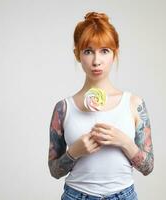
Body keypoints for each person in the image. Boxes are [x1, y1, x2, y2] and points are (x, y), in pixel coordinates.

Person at [48, 11, 154, 200]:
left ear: (115, 52)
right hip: (76, 196)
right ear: (77, 54)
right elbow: (54, 171)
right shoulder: (63, 108)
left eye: (104, 50)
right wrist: (74, 152)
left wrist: (124, 142)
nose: (96, 61)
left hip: (124, 196)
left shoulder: (133, 104)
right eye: (88, 51)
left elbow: (148, 167)